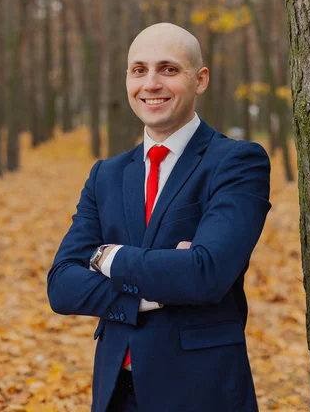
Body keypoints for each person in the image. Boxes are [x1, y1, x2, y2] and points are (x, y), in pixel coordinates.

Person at [47, 23, 271, 412]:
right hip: (115, 390)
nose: (151, 83)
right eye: (139, 70)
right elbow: (62, 285)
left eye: (168, 69)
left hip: (201, 390)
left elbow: (205, 272)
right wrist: (152, 288)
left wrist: (107, 258)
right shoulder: (107, 174)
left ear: (200, 80)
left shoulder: (236, 162)